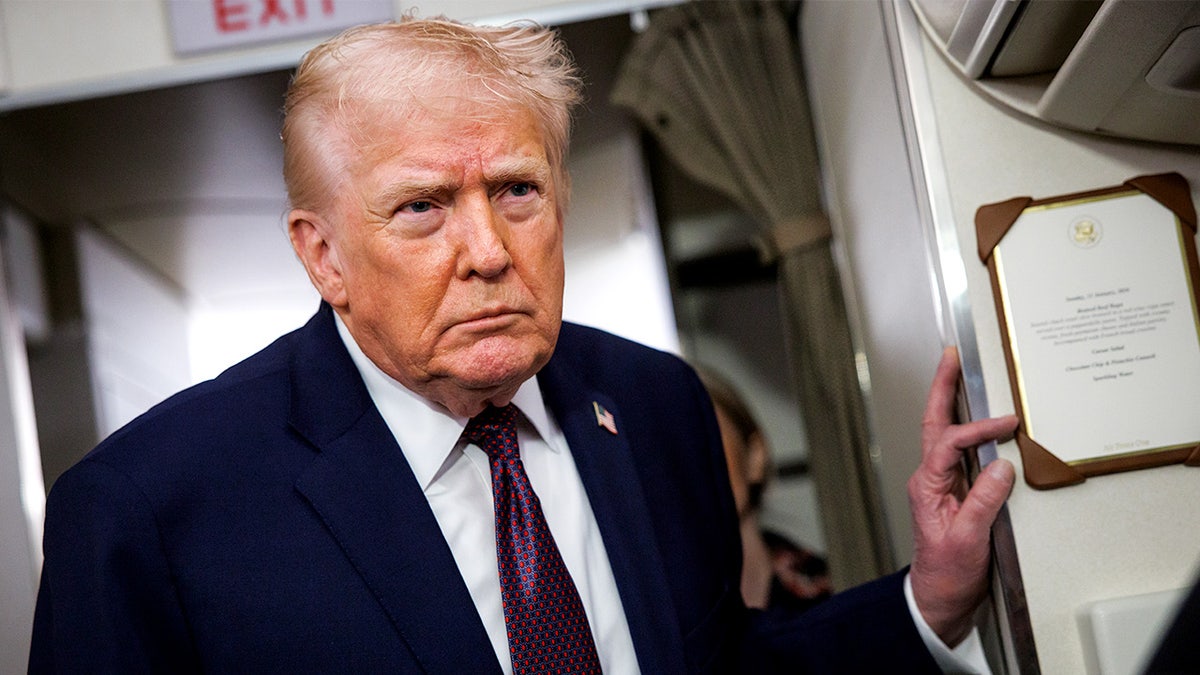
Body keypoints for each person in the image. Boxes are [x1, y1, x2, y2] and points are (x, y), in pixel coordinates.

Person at [28, 16, 1019, 673]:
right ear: (322, 254)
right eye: (422, 208)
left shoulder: (656, 404)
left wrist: (928, 597)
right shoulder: (145, 510)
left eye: (516, 191)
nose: (489, 252)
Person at [698, 368, 832, 613]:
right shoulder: (656, 619)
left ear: (755, 457)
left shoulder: (827, 593)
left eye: (703, 439)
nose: (689, 465)